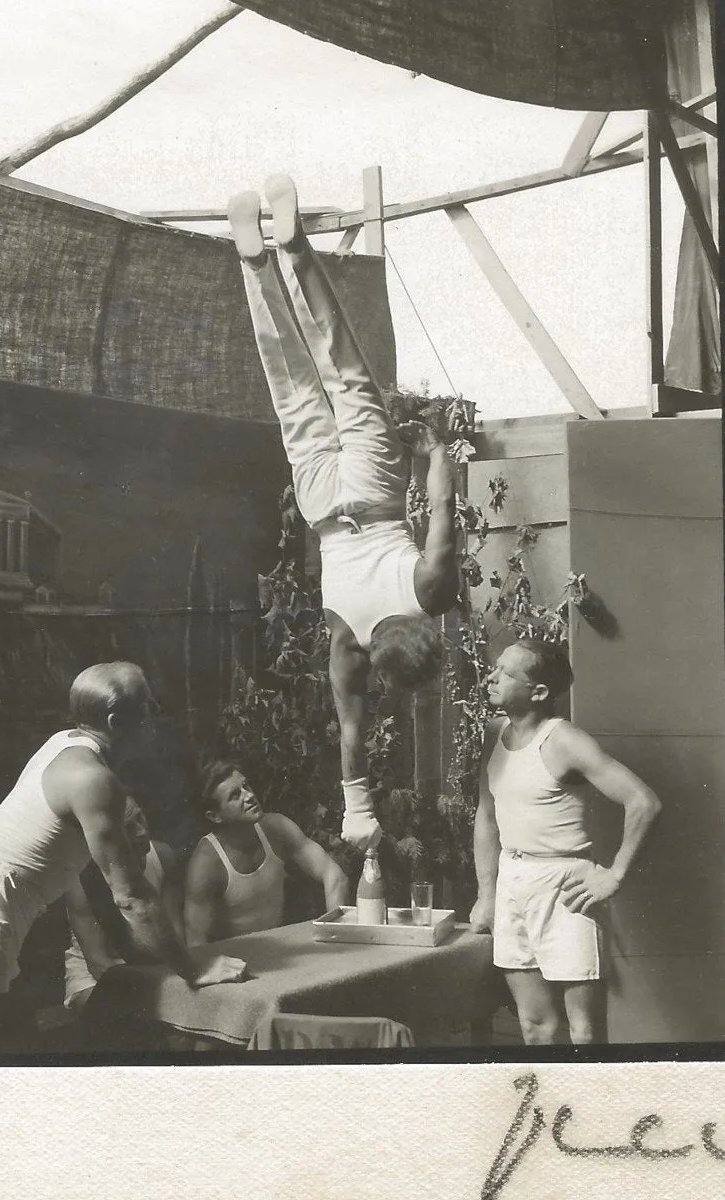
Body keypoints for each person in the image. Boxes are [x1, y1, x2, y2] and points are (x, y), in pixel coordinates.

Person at [229, 174, 459, 851]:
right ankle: (252, 262)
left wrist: (435, 449)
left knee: (342, 369)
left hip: (376, 490)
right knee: (292, 387)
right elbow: (353, 733)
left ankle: (295, 253)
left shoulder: (429, 593)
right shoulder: (348, 645)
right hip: (323, 509)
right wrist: (357, 810)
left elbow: (443, 507)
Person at [0, 662, 247, 1054]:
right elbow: (132, 898)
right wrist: (194, 969)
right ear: (115, 719)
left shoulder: (66, 743)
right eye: (148, 707)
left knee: (18, 1062)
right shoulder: (92, 779)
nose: (155, 717)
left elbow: (116, 892)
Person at [469, 639, 662, 1045]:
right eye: (496, 668)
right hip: (511, 881)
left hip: (564, 887)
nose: (491, 677)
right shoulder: (494, 732)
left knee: (584, 1032)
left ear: (538, 692)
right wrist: (486, 894)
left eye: (505, 673)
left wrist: (614, 875)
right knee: (533, 1028)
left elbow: (643, 801)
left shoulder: (564, 741)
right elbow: (487, 815)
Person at [185, 758, 350, 945]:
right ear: (215, 816)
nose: (248, 796)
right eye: (235, 795)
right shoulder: (206, 863)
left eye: (246, 786)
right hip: (235, 963)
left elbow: (334, 874)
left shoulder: (276, 828)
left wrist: (335, 933)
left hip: (280, 950)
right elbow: (195, 941)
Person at [61, 795, 184, 1011]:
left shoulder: (163, 856)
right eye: (128, 827)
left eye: (140, 818)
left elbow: (176, 936)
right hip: (96, 978)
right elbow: (99, 964)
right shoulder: (80, 880)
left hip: (159, 965)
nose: (142, 831)